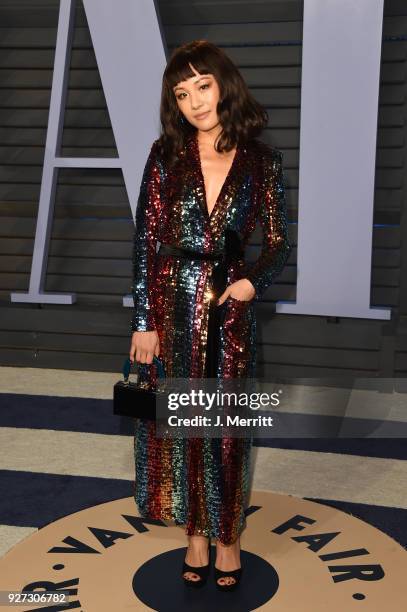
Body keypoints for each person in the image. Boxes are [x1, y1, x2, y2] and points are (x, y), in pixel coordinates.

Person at [129, 40, 292, 591]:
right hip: (171, 304)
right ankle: (193, 535)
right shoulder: (164, 155)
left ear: (224, 83)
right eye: (181, 93)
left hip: (230, 313)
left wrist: (252, 282)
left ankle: (228, 539)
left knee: (225, 431)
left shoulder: (263, 161)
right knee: (179, 427)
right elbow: (146, 241)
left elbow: (278, 243)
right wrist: (143, 321)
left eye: (203, 85)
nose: (194, 102)